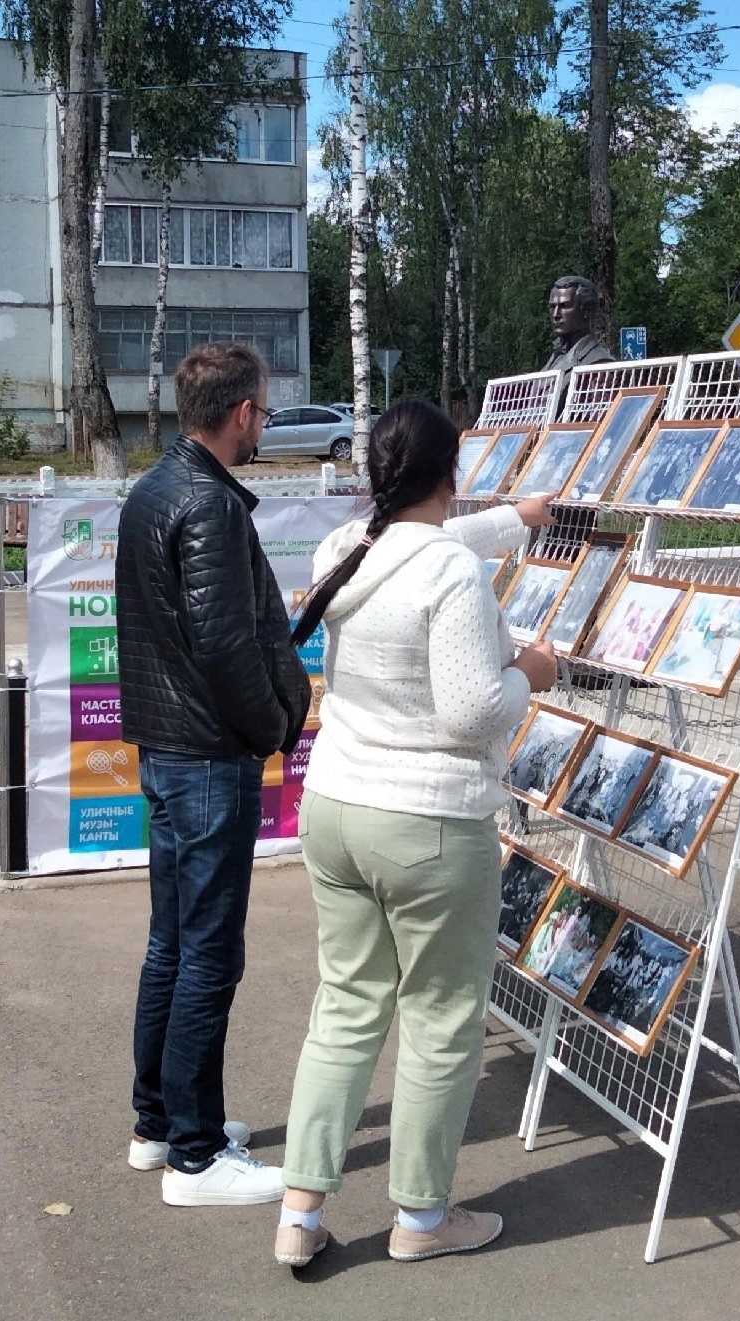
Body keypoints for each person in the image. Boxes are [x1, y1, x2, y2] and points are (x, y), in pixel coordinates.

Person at [273, 400, 561, 1269]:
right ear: (452, 472)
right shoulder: (450, 575)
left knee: (346, 1007)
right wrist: (531, 672)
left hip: (336, 809)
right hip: (428, 819)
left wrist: (515, 522)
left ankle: (300, 1210)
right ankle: (422, 1220)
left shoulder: (342, 550)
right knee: (441, 1018)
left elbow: (417, 548)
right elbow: (473, 710)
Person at [117, 341, 311, 1207]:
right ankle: (195, 1154)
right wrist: (275, 726)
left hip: (167, 750)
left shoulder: (153, 488)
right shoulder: (209, 505)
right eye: (263, 413)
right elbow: (227, 643)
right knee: (207, 955)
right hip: (204, 758)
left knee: (172, 944)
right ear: (239, 413)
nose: (263, 424)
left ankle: (158, 1124)